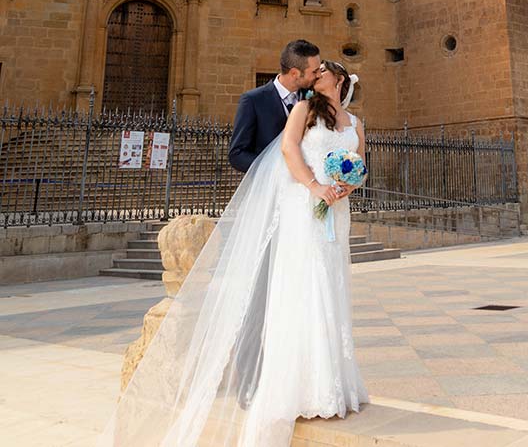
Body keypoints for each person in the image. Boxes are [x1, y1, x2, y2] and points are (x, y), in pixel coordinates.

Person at [99, 59, 368, 447]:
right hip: (303, 208)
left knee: (331, 287)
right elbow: (289, 150)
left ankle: (332, 383)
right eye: (314, 70)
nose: (315, 76)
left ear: (339, 80)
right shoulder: (304, 110)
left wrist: (346, 186)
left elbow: (361, 166)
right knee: (301, 290)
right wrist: (314, 186)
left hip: (335, 212)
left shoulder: (355, 124)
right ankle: (297, 386)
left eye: (322, 71)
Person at [229, 39, 321, 172]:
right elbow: (237, 154)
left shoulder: (315, 98)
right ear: (294, 73)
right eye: (314, 71)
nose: (319, 75)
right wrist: (275, 171)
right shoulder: (253, 100)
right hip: (269, 186)